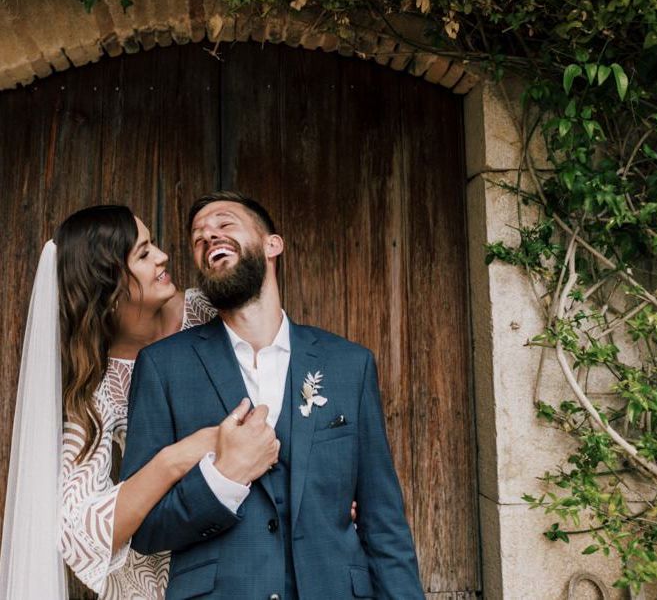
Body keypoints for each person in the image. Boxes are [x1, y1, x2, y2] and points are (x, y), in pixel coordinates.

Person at [121, 192, 425, 599]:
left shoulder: (349, 364)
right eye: (197, 237)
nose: (208, 235)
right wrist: (223, 480)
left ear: (272, 244)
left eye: (224, 224)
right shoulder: (163, 367)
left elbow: (383, 521)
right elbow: (145, 529)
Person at [0, 205, 263, 599]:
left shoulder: (209, 311)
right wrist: (176, 457)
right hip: (173, 569)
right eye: (143, 254)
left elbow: (280, 377)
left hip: (258, 547)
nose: (162, 256)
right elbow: (75, 527)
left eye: (152, 244)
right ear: (108, 289)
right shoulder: (96, 393)